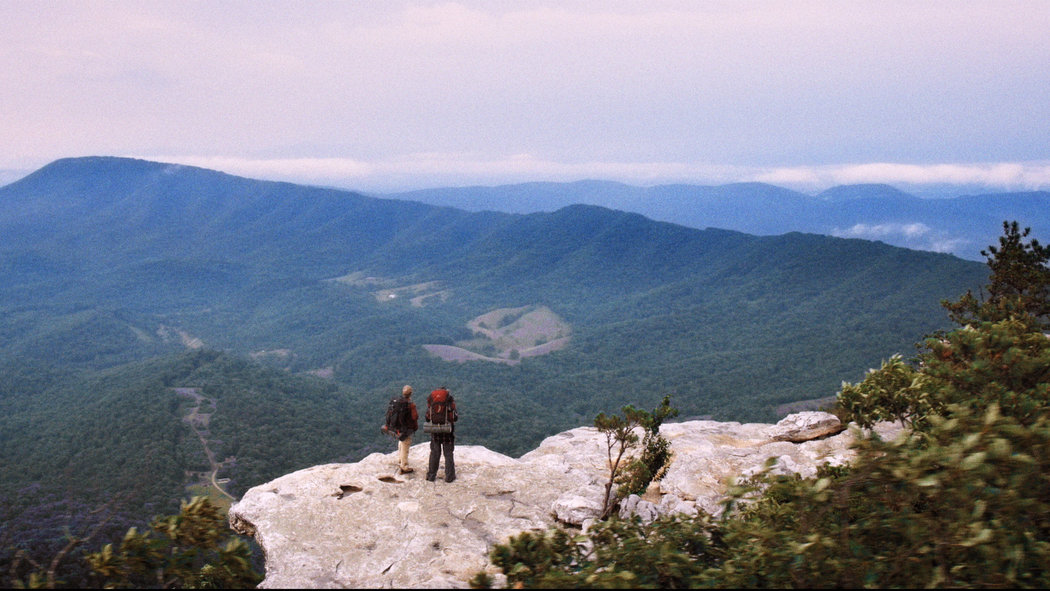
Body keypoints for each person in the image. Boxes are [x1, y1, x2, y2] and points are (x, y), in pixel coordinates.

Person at [382, 385, 418, 474]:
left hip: (397, 427)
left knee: (401, 441)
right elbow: (415, 417)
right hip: (405, 428)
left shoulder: (397, 402)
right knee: (406, 443)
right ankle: (404, 466)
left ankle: (400, 459)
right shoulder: (410, 404)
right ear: (411, 394)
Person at [425, 386, 458, 483]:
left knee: (435, 453)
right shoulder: (449, 402)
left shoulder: (433, 403)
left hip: (435, 431)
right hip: (447, 432)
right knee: (448, 454)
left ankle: (431, 476)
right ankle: (449, 477)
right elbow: (455, 418)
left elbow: (427, 417)